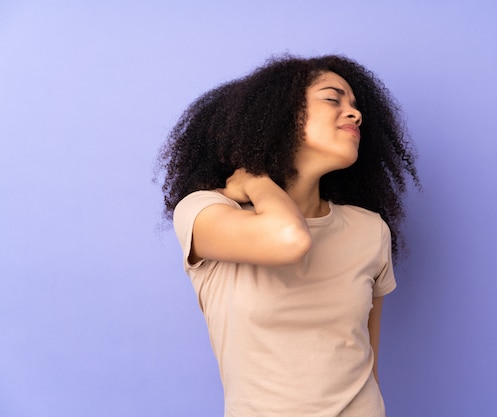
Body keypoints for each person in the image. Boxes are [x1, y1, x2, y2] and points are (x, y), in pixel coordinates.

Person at [156, 54, 420, 417]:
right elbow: (289, 239)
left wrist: (252, 179)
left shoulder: (369, 230)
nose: (355, 113)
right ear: (280, 115)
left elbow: (368, 361)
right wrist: (255, 177)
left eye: (356, 106)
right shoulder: (205, 213)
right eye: (333, 98)